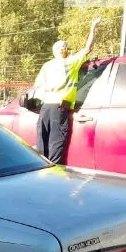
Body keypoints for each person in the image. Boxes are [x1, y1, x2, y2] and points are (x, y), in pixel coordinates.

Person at [33, 17, 101, 164]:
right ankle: (53, 172)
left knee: (42, 141)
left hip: (45, 107)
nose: (67, 50)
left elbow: (38, 86)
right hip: (60, 107)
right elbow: (88, 48)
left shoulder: (47, 66)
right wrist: (93, 27)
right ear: (63, 50)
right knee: (56, 141)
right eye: (66, 48)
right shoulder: (71, 62)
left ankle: (40, 170)